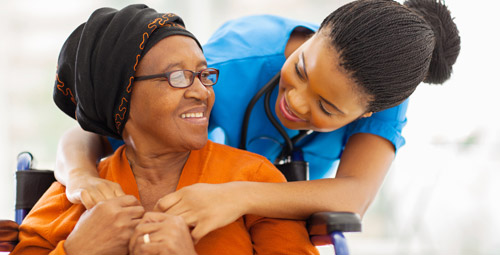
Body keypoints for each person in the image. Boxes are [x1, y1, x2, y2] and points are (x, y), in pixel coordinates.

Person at [55, 0, 461, 242]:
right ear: (317, 33)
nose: (296, 102)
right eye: (300, 69)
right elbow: (89, 129)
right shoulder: (233, 63)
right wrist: (81, 178)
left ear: (366, 112)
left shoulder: (381, 95)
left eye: (328, 108)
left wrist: (237, 195)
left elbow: (354, 195)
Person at [11, 5, 319, 255]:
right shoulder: (75, 195)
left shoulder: (253, 180)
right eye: (178, 76)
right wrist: (77, 250)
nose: (202, 91)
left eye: (203, 74)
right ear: (122, 95)